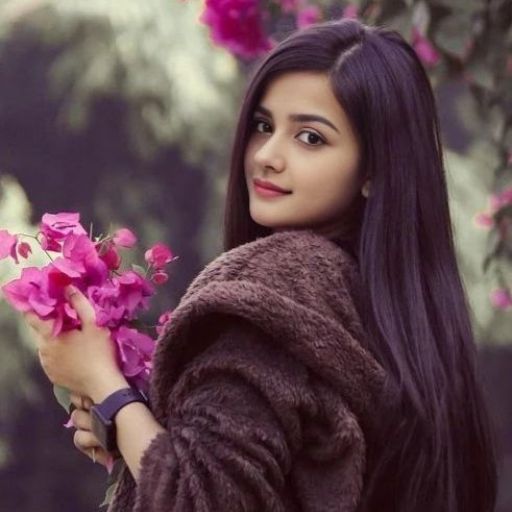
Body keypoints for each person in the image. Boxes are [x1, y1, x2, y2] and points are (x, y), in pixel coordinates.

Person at [25, 18, 498, 512]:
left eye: (311, 138)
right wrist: (134, 423)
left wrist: (104, 383)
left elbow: (199, 500)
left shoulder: (273, 296)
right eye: (264, 126)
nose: (267, 156)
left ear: (374, 171)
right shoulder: (392, 316)